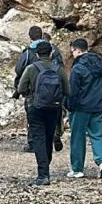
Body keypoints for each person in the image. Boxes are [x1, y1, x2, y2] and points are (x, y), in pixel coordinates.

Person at [17, 41, 70, 185]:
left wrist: (30, 96)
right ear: (52, 53)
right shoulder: (58, 69)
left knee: (38, 138)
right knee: (48, 137)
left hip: (35, 108)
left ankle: (43, 174)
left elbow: (21, 88)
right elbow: (67, 91)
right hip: (54, 109)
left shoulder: (31, 68)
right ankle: (46, 166)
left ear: (37, 54)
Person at [67, 39, 102, 179]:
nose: (73, 54)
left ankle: (77, 169)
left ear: (77, 50)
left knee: (78, 137)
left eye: (73, 51)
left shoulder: (78, 68)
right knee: (98, 135)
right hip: (99, 106)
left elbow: (73, 91)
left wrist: (69, 106)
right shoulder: (101, 64)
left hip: (80, 108)